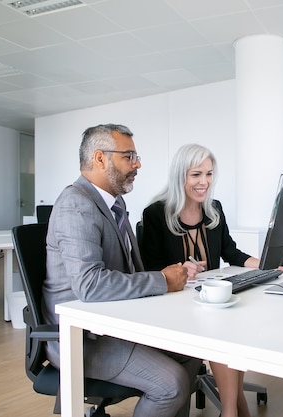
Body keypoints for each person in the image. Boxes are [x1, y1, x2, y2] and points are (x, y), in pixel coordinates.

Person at [42, 124, 202, 417]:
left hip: (114, 323)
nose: (138, 164)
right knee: (172, 383)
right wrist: (162, 281)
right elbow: (90, 285)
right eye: (129, 156)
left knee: (191, 353)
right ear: (100, 159)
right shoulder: (76, 204)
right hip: (82, 337)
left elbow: (128, 270)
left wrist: (167, 277)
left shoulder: (115, 204)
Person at [141, 143, 258, 417]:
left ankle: (232, 409)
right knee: (223, 330)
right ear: (180, 176)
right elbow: (150, 269)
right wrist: (179, 270)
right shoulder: (156, 214)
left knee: (230, 322)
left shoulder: (214, 210)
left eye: (209, 174)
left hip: (207, 303)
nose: (204, 182)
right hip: (173, 307)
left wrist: (270, 263)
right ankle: (233, 410)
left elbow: (232, 253)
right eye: (196, 174)